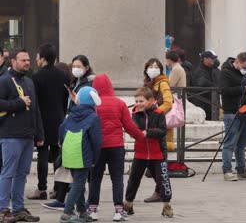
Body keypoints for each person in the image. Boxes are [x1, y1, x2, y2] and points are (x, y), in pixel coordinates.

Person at [86, 74, 146, 221]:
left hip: (97, 147)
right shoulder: (119, 103)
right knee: (117, 179)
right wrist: (140, 136)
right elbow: (129, 126)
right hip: (116, 146)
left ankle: (92, 209)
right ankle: (118, 210)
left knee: (95, 178)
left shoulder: (92, 105)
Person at [43, 55, 95, 211]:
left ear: (86, 67)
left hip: (80, 127)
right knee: (66, 165)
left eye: (78, 66)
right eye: (73, 66)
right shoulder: (75, 82)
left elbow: (88, 105)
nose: (75, 69)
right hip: (71, 123)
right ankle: (69, 202)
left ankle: (73, 206)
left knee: (78, 173)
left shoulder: (88, 84)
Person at [0, 49, 44, 222]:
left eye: (28, 59)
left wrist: (39, 132)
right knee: (8, 173)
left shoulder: (28, 81)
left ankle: (18, 209)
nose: (27, 62)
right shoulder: (4, 81)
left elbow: (35, 109)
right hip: (10, 135)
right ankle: (3, 210)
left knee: (22, 174)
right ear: (13, 61)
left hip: (27, 135)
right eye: (23, 60)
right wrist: (18, 103)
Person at [27, 44, 70, 201]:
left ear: (43, 58)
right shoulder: (64, 76)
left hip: (42, 121)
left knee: (43, 155)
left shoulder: (36, 77)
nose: (36, 59)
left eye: (38, 56)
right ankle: (58, 188)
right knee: (58, 155)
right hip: (59, 120)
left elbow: (34, 102)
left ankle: (42, 189)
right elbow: (66, 101)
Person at [123, 87, 173, 218]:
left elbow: (162, 131)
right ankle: (128, 204)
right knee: (133, 179)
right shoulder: (135, 113)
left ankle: (166, 205)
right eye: (136, 101)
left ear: (150, 101)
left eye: (141, 101)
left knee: (163, 179)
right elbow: (134, 130)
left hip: (158, 153)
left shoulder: (158, 112)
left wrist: (147, 132)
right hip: (141, 152)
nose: (138, 104)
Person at [59, 87, 102, 223]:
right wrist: (95, 158)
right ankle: (67, 213)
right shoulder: (93, 117)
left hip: (69, 153)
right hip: (83, 154)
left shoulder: (71, 114)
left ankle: (82, 211)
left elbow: (61, 130)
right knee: (78, 184)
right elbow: (96, 141)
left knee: (77, 183)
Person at [219, 52, 246, 181]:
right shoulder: (225, 72)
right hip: (232, 111)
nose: (245, 69)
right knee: (230, 143)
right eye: (244, 66)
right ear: (238, 61)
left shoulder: (245, 73)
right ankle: (227, 170)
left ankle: (241, 170)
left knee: (242, 144)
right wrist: (243, 89)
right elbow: (223, 91)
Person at [143, 58, 173, 203]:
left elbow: (168, 102)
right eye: (150, 66)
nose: (153, 69)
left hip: (158, 126)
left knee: (158, 162)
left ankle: (160, 191)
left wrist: (155, 113)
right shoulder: (148, 83)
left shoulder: (162, 82)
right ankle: (160, 190)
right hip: (148, 127)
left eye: (156, 66)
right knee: (151, 162)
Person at [191, 51, 219, 120]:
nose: (214, 60)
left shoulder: (213, 70)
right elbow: (202, 83)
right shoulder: (199, 71)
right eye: (212, 58)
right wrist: (215, 86)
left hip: (212, 104)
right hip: (203, 106)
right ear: (205, 59)